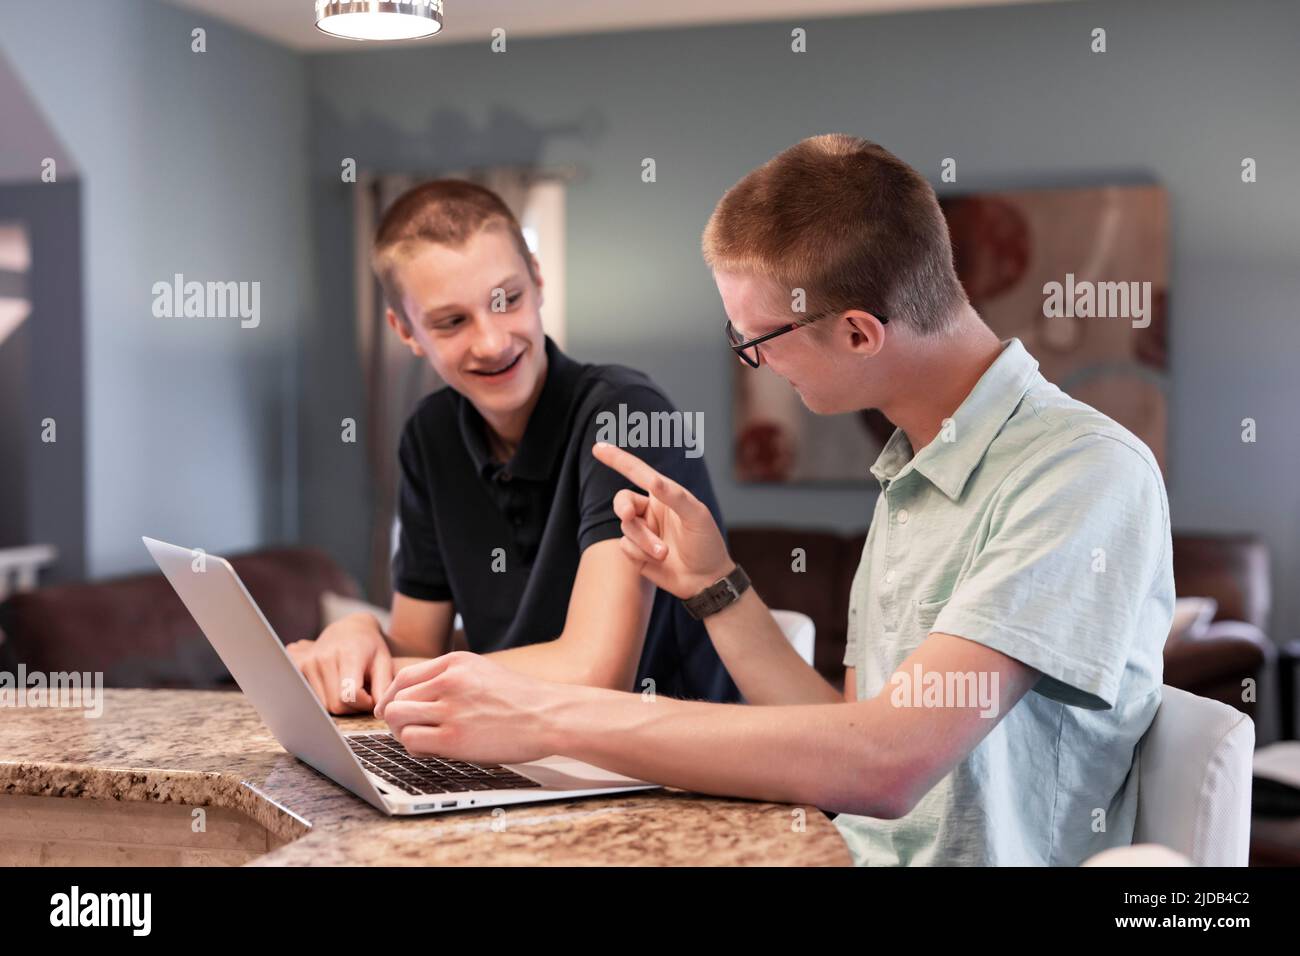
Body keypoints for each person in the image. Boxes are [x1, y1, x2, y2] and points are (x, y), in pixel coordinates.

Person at [373, 135, 1174, 867]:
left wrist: (549, 719)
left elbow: (887, 763)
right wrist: (715, 585)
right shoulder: (916, 471)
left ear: (859, 333)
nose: (753, 365)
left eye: (754, 341)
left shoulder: (1081, 472)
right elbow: (846, 727)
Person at [288, 180, 739, 716]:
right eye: (451, 321)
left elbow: (596, 675)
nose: (493, 342)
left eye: (508, 300)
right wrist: (357, 634)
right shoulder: (429, 436)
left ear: (538, 279)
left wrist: (387, 673)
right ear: (405, 331)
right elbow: (417, 646)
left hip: (667, 767)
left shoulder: (627, 413)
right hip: (510, 744)